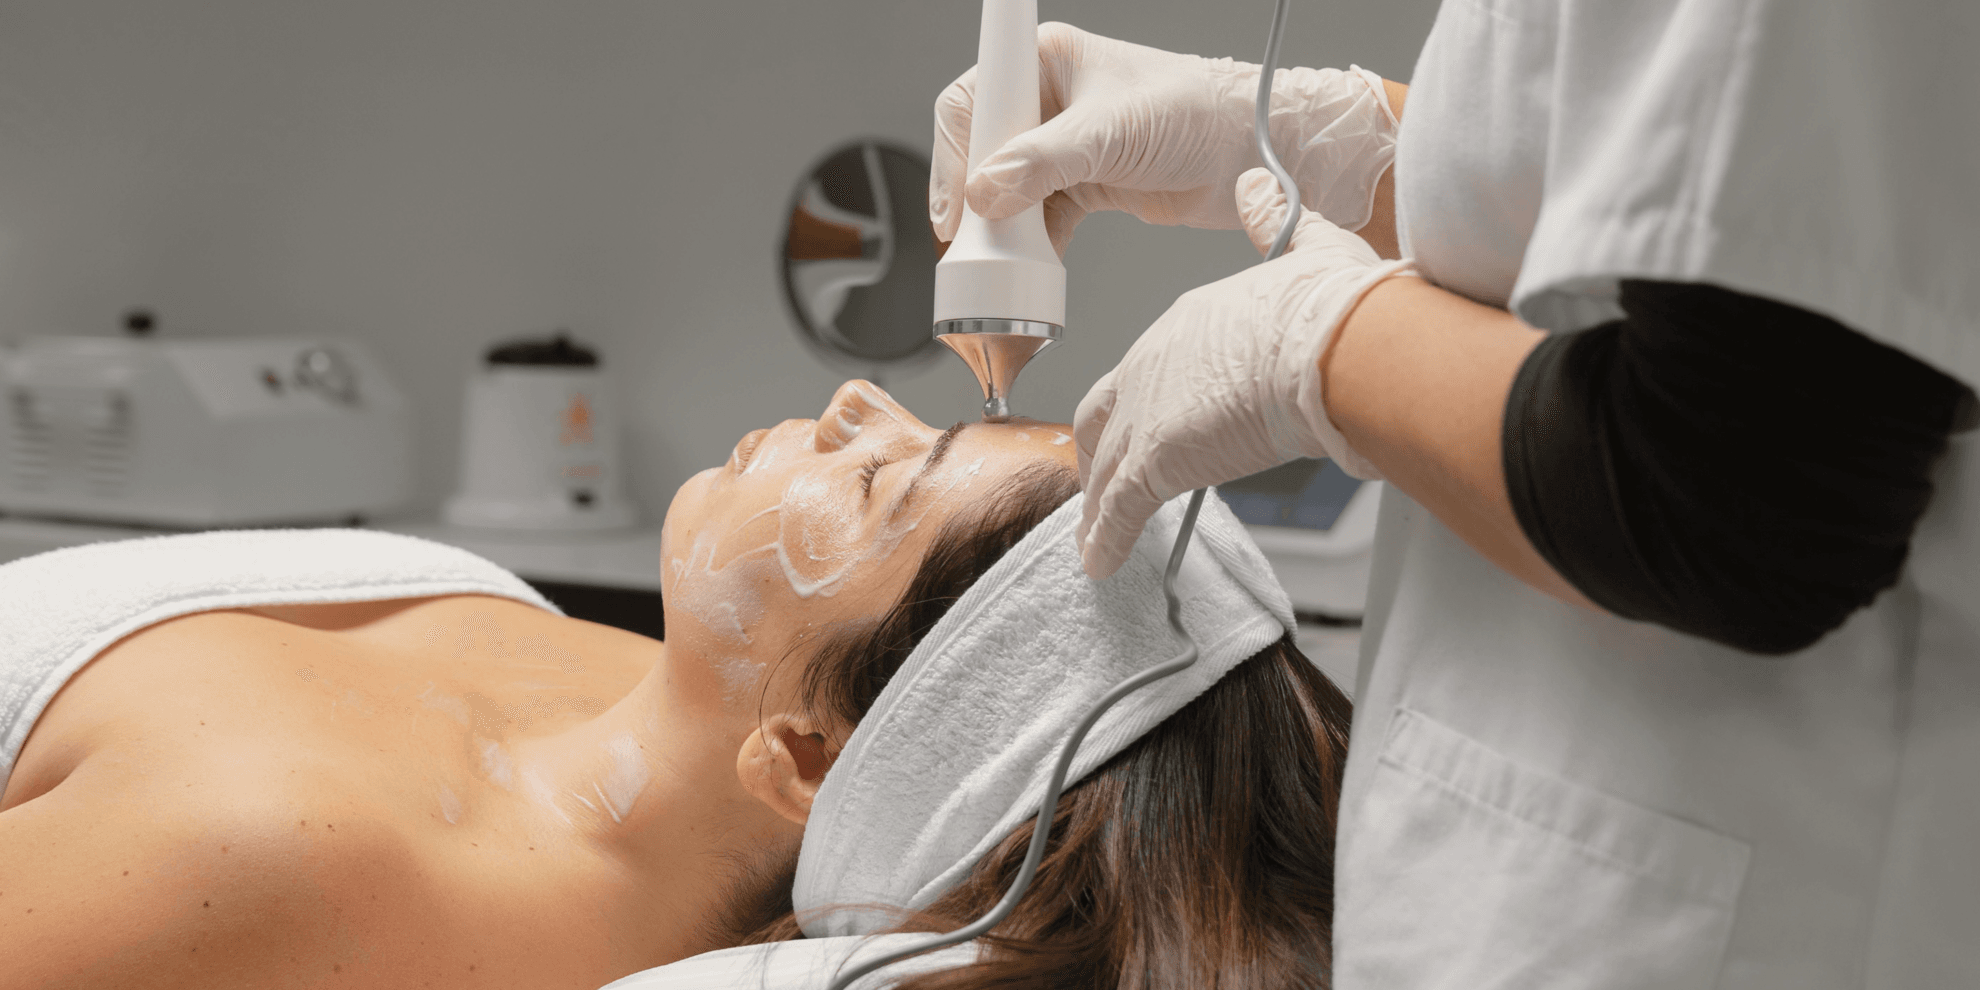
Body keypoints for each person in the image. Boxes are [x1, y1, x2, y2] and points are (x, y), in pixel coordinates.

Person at [931, 10, 1980, 987]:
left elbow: (1747, 484)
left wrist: (1322, 348)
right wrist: (1328, 141)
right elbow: (1675, 183)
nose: (858, 403)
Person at [0, 380, 1350, 990]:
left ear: (805, 756)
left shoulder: (287, 861)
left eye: (880, 483)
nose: (853, 401)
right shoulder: (639, 683)